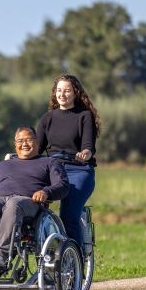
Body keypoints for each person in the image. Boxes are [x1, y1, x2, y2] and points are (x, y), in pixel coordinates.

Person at [0, 126, 69, 267]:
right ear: (15, 144)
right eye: (20, 141)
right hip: (0, 200)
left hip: (28, 202)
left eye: (28, 140)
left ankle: (1, 254)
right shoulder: (3, 165)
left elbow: (62, 185)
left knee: (14, 203)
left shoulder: (49, 162)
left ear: (37, 141)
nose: (24, 144)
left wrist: (46, 192)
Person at [36, 74, 101, 251]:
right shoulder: (47, 119)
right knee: (30, 207)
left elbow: (88, 146)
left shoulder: (84, 116)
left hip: (78, 169)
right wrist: (15, 157)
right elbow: (36, 150)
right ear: (54, 93)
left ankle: (74, 263)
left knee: (68, 215)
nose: (62, 94)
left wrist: (85, 154)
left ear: (75, 93)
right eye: (59, 90)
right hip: (52, 169)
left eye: (67, 90)